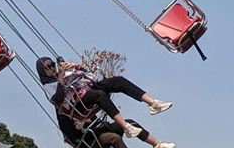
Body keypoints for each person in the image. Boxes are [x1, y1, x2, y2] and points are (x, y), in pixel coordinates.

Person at [36, 57, 172, 139]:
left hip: (87, 89)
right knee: (99, 95)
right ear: (43, 72)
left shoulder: (66, 72)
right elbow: (58, 99)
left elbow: (86, 75)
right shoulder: (49, 85)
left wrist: (77, 66)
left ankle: (153, 103)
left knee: (118, 81)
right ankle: (125, 126)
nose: (52, 68)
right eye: (47, 67)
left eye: (52, 64)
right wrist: (60, 77)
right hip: (78, 103)